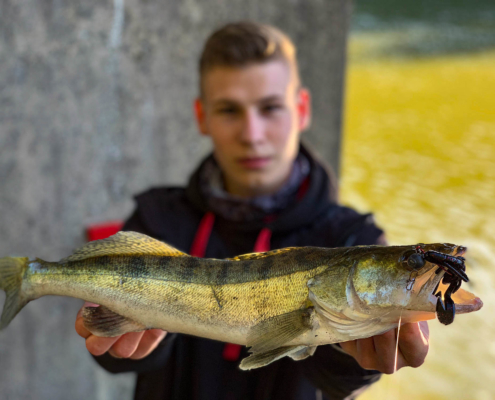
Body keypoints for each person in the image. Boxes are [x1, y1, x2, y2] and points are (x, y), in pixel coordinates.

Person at [75, 21, 429, 400]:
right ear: (202, 117)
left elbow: (339, 383)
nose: (252, 133)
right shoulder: (157, 218)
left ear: (302, 109)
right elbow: (117, 358)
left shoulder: (353, 240)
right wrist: (126, 339)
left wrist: (352, 357)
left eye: (270, 108)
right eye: (229, 110)